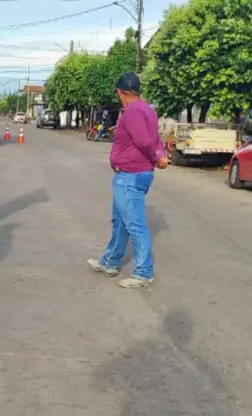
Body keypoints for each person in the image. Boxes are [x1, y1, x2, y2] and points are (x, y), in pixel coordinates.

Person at [87, 72, 168, 288]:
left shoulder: (132, 112)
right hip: (132, 174)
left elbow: (144, 141)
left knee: (135, 225)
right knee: (121, 222)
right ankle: (110, 262)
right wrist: (159, 155)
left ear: (119, 92)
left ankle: (143, 272)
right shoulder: (148, 110)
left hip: (130, 175)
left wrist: (155, 157)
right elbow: (155, 139)